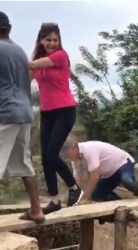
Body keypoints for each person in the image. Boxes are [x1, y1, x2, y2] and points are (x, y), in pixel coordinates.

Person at [29, 23, 82, 215]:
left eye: (55, 39)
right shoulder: (38, 58)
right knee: (45, 158)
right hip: (47, 112)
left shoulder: (60, 56)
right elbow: (27, 78)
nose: (52, 43)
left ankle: (74, 187)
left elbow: (31, 65)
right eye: (48, 39)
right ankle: (54, 200)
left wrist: (10, 56)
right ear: (41, 40)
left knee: (52, 154)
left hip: (65, 110)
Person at [0, 11, 45, 223]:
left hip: (6, 112)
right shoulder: (18, 50)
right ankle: (36, 210)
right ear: (9, 28)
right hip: (25, 112)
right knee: (24, 163)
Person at [61, 138, 138, 201]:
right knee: (96, 196)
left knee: (127, 181)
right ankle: (119, 202)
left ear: (74, 148)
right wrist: (76, 196)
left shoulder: (89, 150)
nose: (66, 156)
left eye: (66, 152)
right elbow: (77, 180)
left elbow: (95, 175)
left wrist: (87, 193)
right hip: (109, 174)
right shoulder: (76, 161)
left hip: (123, 164)